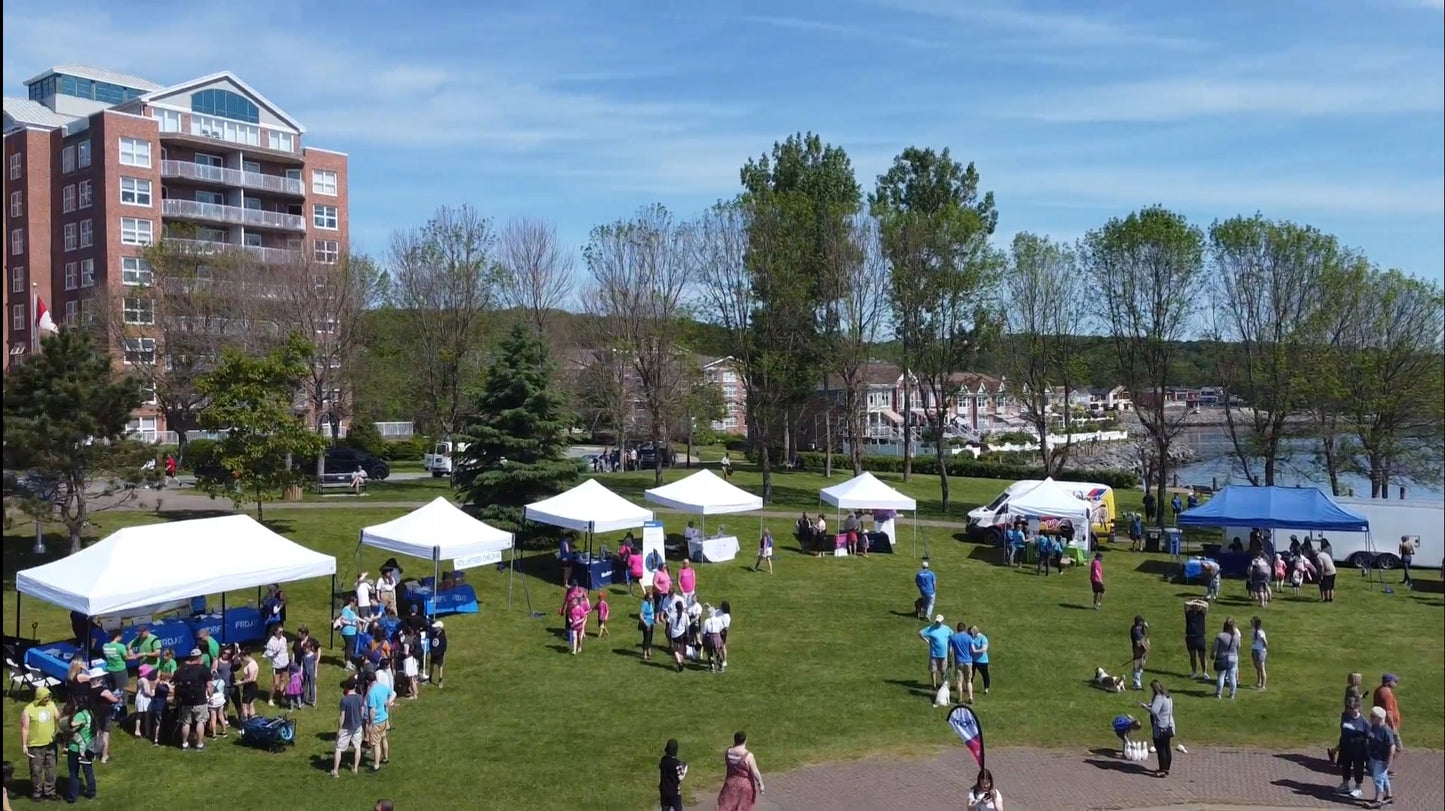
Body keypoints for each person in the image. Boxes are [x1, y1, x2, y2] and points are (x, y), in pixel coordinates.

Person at [19, 686, 59, 801]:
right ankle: (37, 792)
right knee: (36, 770)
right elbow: (25, 728)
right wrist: (24, 745)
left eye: (48, 696)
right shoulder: (28, 710)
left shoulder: (51, 705)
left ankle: (50, 791)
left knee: (51, 768)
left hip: (50, 744)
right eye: (45, 697)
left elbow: (58, 717)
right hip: (35, 746)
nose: (47, 699)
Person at [59, 696, 96, 802]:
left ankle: (72, 797)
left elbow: (71, 724)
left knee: (73, 773)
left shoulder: (80, 715)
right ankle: (91, 792)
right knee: (88, 771)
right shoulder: (91, 713)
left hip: (75, 748)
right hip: (88, 747)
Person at [716, 731, 764, 811]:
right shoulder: (748, 756)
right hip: (744, 786)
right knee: (742, 807)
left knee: (728, 806)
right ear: (745, 740)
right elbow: (755, 771)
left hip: (730, 783)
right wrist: (761, 784)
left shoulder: (728, 752)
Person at [174, 649, 211, 750]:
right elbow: (209, 685)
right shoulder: (203, 669)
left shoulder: (182, 669)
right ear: (199, 657)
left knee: (186, 722)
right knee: (200, 721)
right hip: (200, 700)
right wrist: (210, 696)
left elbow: (175, 681)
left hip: (186, 700)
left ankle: (184, 744)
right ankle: (199, 744)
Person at [331, 678, 365, 777]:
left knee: (338, 748)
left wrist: (339, 729)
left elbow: (342, 716)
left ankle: (335, 771)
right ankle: (355, 768)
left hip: (346, 727)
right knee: (357, 747)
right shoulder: (360, 698)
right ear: (355, 687)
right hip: (357, 726)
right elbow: (362, 712)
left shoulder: (344, 700)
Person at [1141, 680, 1175, 777]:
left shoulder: (1158, 697)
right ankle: (1167, 768)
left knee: (1160, 749)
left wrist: (1145, 707)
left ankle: (1162, 769)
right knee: (1167, 747)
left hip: (1160, 726)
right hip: (1169, 725)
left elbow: (1154, 712)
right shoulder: (1168, 697)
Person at [1337, 696, 1369, 799]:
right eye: (1348, 707)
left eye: (1352, 708)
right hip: (1346, 746)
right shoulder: (1345, 716)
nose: (1350, 710)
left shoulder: (1364, 722)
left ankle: (1358, 787)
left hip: (1358, 749)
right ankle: (1345, 784)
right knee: (1345, 765)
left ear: (1358, 707)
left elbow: (1369, 736)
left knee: (1358, 767)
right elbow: (1343, 729)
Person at [365, 670, 396, 771]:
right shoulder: (383, 687)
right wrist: (388, 702)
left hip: (376, 721)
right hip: (384, 718)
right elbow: (394, 693)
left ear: (368, 682)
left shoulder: (371, 693)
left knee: (376, 743)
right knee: (384, 738)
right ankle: (386, 758)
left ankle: (376, 765)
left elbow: (372, 710)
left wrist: (370, 724)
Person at [1366, 706, 1397, 807]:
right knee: (1383, 777)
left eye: (1372, 716)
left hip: (1382, 759)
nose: (1370, 718)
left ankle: (1378, 800)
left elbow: (1392, 747)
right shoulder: (1374, 726)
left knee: (1377, 778)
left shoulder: (1386, 730)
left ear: (1379, 718)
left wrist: (1389, 761)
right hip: (1374, 757)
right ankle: (1389, 795)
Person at [919, 615, 952, 691]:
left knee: (943, 670)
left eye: (939, 622)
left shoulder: (947, 629)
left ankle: (944, 684)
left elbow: (951, 636)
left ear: (942, 621)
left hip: (944, 654)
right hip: (934, 654)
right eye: (937, 621)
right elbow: (920, 633)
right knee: (933, 670)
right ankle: (934, 685)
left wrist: (950, 647)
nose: (938, 623)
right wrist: (926, 640)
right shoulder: (931, 629)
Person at [1372, 674, 1402, 753]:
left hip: (1383, 723)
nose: (1396, 683)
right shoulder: (1386, 693)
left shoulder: (1380, 690)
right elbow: (1388, 712)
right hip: (1388, 724)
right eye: (1395, 681)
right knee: (1394, 747)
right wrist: (1392, 726)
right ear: (1388, 682)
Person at [1212, 618, 1240, 700]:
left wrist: (1212, 654)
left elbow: (1215, 647)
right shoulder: (1237, 637)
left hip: (1222, 658)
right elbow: (1238, 647)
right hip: (1233, 658)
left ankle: (1218, 693)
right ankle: (1232, 694)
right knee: (1232, 677)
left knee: (1221, 676)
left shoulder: (1220, 636)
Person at [659, 738, 688, 811]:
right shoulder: (676, 763)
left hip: (664, 791)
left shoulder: (663, 760)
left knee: (665, 808)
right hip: (674, 792)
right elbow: (680, 777)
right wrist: (685, 767)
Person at [949, 623, 975, 705]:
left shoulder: (953, 638)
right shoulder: (969, 637)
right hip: (968, 662)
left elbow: (950, 651)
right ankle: (970, 697)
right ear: (964, 629)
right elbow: (973, 650)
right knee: (968, 681)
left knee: (959, 681)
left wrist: (950, 660)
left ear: (957, 629)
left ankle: (960, 699)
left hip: (959, 662)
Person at [667, 602, 690, 673]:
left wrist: (669, 633)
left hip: (674, 635)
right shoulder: (685, 615)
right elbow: (687, 626)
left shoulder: (672, 615)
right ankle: (681, 661)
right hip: (682, 634)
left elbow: (670, 626)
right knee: (681, 650)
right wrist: (688, 634)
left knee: (675, 650)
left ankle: (679, 661)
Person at [1129, 616, 1150, 691]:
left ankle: (1136, 683)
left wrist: (1145, 628)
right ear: (1140, 623)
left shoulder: (1137, 629)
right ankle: (1137, 685)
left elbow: (1144, 635)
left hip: (1142, 652)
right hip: (1139, 651)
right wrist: (1145, 644)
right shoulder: (1136, 631)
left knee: (1140, 667)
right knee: (1138, 667)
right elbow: (1139, 643)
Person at [969, 625, 991, 694]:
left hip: (982, 660)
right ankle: (970, 687)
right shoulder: (972, 638)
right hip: (973, 660)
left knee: (985, 674)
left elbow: (984, 649)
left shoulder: (983, 638)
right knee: (971, 674)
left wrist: (975, 651)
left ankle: (986, 688)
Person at [1249, 616, 1268, 691]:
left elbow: (1265, 643)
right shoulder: (1253, 630)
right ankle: (1258, 682)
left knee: (1262, 668)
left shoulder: (1261, 632)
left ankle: (1263, 686)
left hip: (1260, 651)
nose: (1251, 623)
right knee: (1257, 667)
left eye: (1252, 622)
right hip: (1254, 650)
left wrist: (1263, 648)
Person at [428, 621, 448, 688]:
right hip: (433, 653)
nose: (434, 629)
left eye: (436, 628)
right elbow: (431, 642)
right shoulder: (433, 634)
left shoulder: (442, 636)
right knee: (431, 666)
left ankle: (440, 681)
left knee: (440, 667)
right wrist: (431, 650)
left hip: (439, 654)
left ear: (439, 628)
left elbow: (444, 646)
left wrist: (441, 652)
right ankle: (430, 678)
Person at [638, 597, 656, 661]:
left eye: (652, 598)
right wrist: (646, 623)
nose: (651, 599)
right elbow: (641, 615)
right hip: (646, 623)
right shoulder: (645, 604)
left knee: (650, 637)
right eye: (650, 598)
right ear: (647, 598)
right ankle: (645, 653)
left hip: (651, 623)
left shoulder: (651, 604)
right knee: (647, 638)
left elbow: (652, 613)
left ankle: (649, 650)